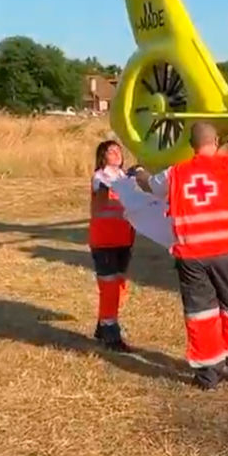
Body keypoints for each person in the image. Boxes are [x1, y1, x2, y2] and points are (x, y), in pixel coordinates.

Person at [134, 98, 228, 390]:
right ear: (214, 141)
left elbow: (149, 185)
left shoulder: (175, 174)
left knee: (201, 313)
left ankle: (207, 373)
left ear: (191, 143)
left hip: (193, 254)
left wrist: (137, 173)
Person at [89, 140, 137, 352]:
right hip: (105, 240)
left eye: (119, 149)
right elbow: (101, 189)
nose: (117, 153)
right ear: (102, 156)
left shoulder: (125, 177)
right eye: (111, 151)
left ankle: (103, 325)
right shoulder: (100, 176)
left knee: (119, 287)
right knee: (109, 288)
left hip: (123, 240)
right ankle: (111, 334)